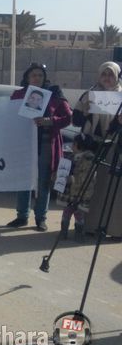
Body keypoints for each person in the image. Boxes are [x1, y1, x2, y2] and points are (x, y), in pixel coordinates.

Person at [6, 63, 71, 231]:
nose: (37, 78)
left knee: (43, 182)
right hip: (24, 144)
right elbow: (9, 116)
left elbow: (67, 117)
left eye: (40, 75)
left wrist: (50, 121)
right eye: (33, 75)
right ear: (27, 78)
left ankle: (41, 218)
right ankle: (22, 216)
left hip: (46, 144)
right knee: (24, 181)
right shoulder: (19, 95)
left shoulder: (54, 94)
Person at [72, 61, 122, 239]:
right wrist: (85, 112)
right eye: (104, 74)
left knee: (114, 189)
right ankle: (90, 226)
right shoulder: (89, 95)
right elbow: (76, 120)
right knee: (91, 188)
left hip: (114, 148)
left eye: (110, 74)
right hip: (92, 147)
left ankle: (115, 229)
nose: (107, 78)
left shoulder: (121, 96)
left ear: (117, 76)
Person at [58, 134, 96, 242]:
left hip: (81, 192)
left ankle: (79, 233)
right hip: (70, 191)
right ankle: (63, 231)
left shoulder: (88, 159)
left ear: (78, 145)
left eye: (74, 144)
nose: (72, 146)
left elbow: (86, 177)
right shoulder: (72, 157)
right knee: (67, 211)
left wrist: (72, 179)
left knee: (78, 213)